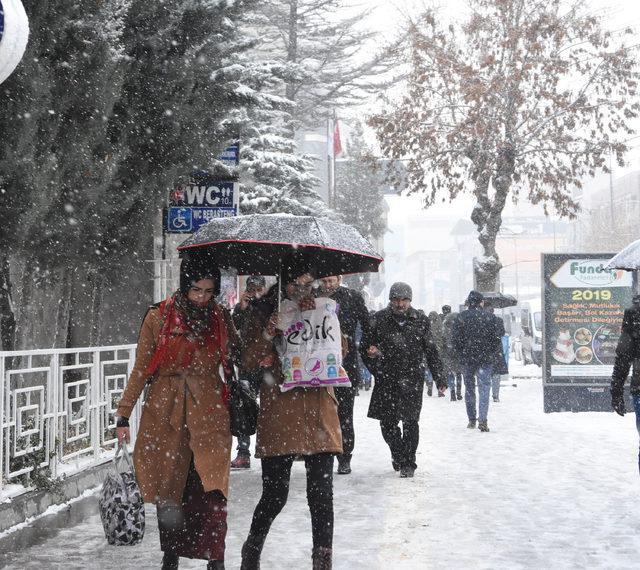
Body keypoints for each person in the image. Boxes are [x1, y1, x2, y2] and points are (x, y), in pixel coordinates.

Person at [115, 257, 239, 570]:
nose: (202, 297)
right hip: (166, 413)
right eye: (196, 290)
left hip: (209, 412)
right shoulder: (159, 316)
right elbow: (142, 368)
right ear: (184, 287)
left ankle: (216, 558)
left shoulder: (221, 317)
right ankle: (170, 555)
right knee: (171, 490)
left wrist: (265, 328)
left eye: (209, 291)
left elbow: (242, 355)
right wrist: (123, 414)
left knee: (213, 490)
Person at [239, 267, 343, 570]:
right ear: (283, 283)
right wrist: (269, 334)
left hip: (319, 408)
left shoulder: (325, 308)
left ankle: (322, 560)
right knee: (275, 494)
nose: (301, 291)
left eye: (307, 285)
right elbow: (246, 359)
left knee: (321, 495)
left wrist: (323, 322)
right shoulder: (263, 312)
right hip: (281, 410)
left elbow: (340, 351)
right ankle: (252, 549)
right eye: (295, 285)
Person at [361, 282, 445, 478]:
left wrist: (439, 377)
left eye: (404, 300)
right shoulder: (379, 319)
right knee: (387, 424)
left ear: (410, 301)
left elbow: (431, 351)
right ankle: (397, 452)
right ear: (391, 300)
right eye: (396, 300)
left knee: (410, 423)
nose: (400, 304)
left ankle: (409, 462)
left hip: (412, 379)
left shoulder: (420, 320)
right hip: (386, 379)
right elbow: (364, 347)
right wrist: (375, 363)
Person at [318, 275, 371, 475]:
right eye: (324, 281)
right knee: (322, 413)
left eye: (331, 280)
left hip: (345, 363)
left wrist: (366, 347)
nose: (328, 285)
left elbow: (366, 325)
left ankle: (345, 456)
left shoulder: (352, 297)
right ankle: (323, 455)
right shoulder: (312, 297)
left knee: (344, 414)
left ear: (339, 279)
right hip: (318, 364)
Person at [453, 290, 503, 432]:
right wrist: (489, 352)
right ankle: (483, 419)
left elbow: (455, 340)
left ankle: (471, 419)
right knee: (484, 389)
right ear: (481, 302)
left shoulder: (461, 318)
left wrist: (462, 353)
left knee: (469, 389)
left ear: (469, 303)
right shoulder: (489, 318)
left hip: (467, 359)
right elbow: (496, 340)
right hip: (485, 359)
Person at [230, 275, 266, 469]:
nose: (255, 292)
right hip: (246, 363)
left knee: (270, 407)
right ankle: (243, 452)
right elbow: (233, 328)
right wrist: (242, 307)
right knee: (243, 407)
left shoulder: (270, 306)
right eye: (251, 288)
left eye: (258, 289)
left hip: (267, 364)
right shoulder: (241, 308)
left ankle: (270, 449)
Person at [611, 294, 640, 472]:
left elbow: (622, 359)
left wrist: (616, 393)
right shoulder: (634, 314)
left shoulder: (634, 313)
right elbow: (623, 358)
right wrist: (616, 393)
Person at [441, 308, 464, 401]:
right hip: (459, 353)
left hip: (449, 353)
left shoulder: (445, 328)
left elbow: (442, 341)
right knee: (459, 373)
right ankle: (459, 392)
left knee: (450, 373)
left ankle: (452, 393)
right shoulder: (461, 328)